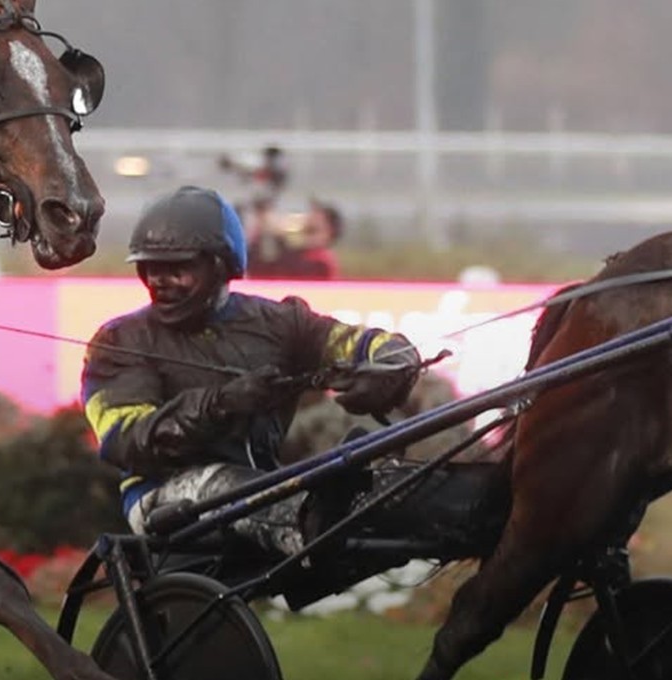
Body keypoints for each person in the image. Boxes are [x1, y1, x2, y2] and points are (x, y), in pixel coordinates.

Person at [80, 186, 420, 557]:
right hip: (162, 496)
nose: (160, 280)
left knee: (375, 478)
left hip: (267, 484)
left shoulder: (282, 323)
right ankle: (312, 521)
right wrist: (221, 404)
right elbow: (124, 440)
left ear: (220, 265)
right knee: (224, 484)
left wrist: (395, 365)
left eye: (177, 268)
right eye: (150, 268)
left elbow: (362, 343)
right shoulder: (118, 340)